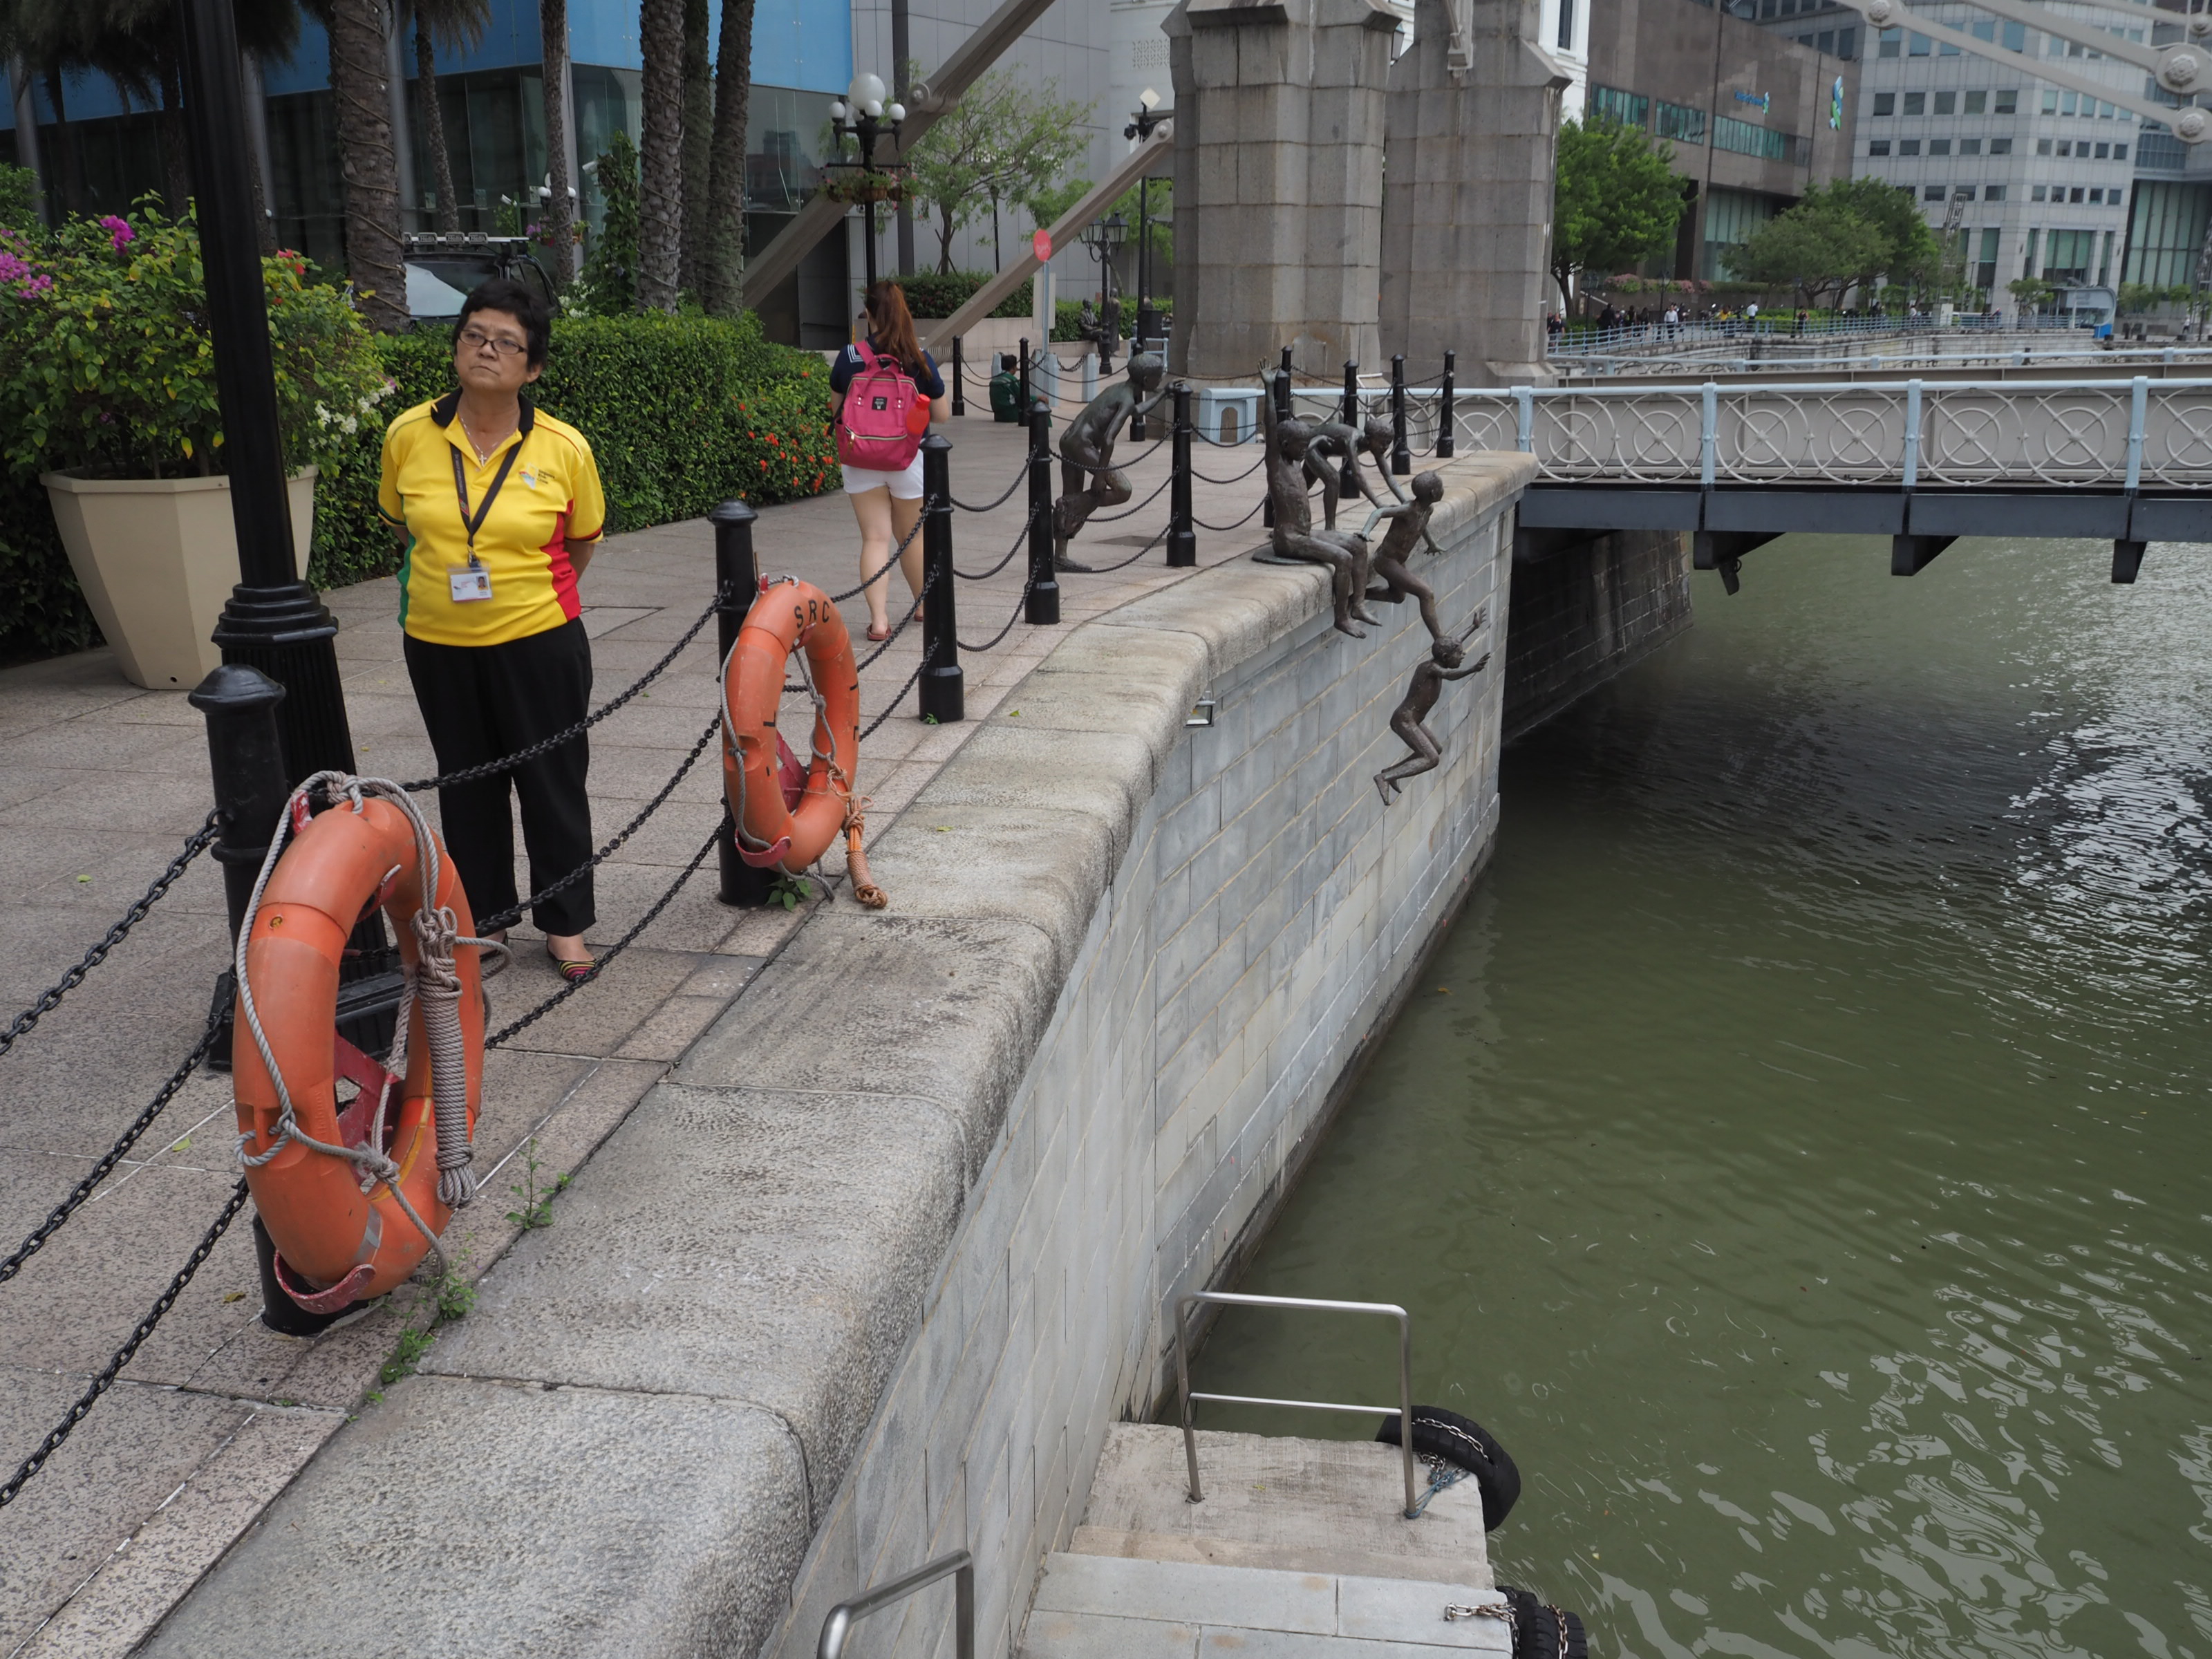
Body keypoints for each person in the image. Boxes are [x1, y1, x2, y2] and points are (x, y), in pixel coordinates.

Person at [378, 277, 606, 984]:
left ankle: (565, 925)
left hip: (538, 640)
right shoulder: (409, 435)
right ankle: (485, 917)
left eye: (507, 343)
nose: (486, 350)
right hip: (439, 643)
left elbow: (582, 540)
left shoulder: (563, 447)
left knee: (552, 783)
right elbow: (401, 525)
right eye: (474, 336)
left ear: (532, 367)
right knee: (466, 786)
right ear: (455, 348)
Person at [832, 282, 946, 641]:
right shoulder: (917, 357)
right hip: (907, 458)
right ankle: (924, 605)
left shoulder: (850, 357)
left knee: (875, 538)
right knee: (912, 537)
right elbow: (941, 415)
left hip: (860, 458)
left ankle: (879, 622)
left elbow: (836, 411)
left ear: (868, 313)